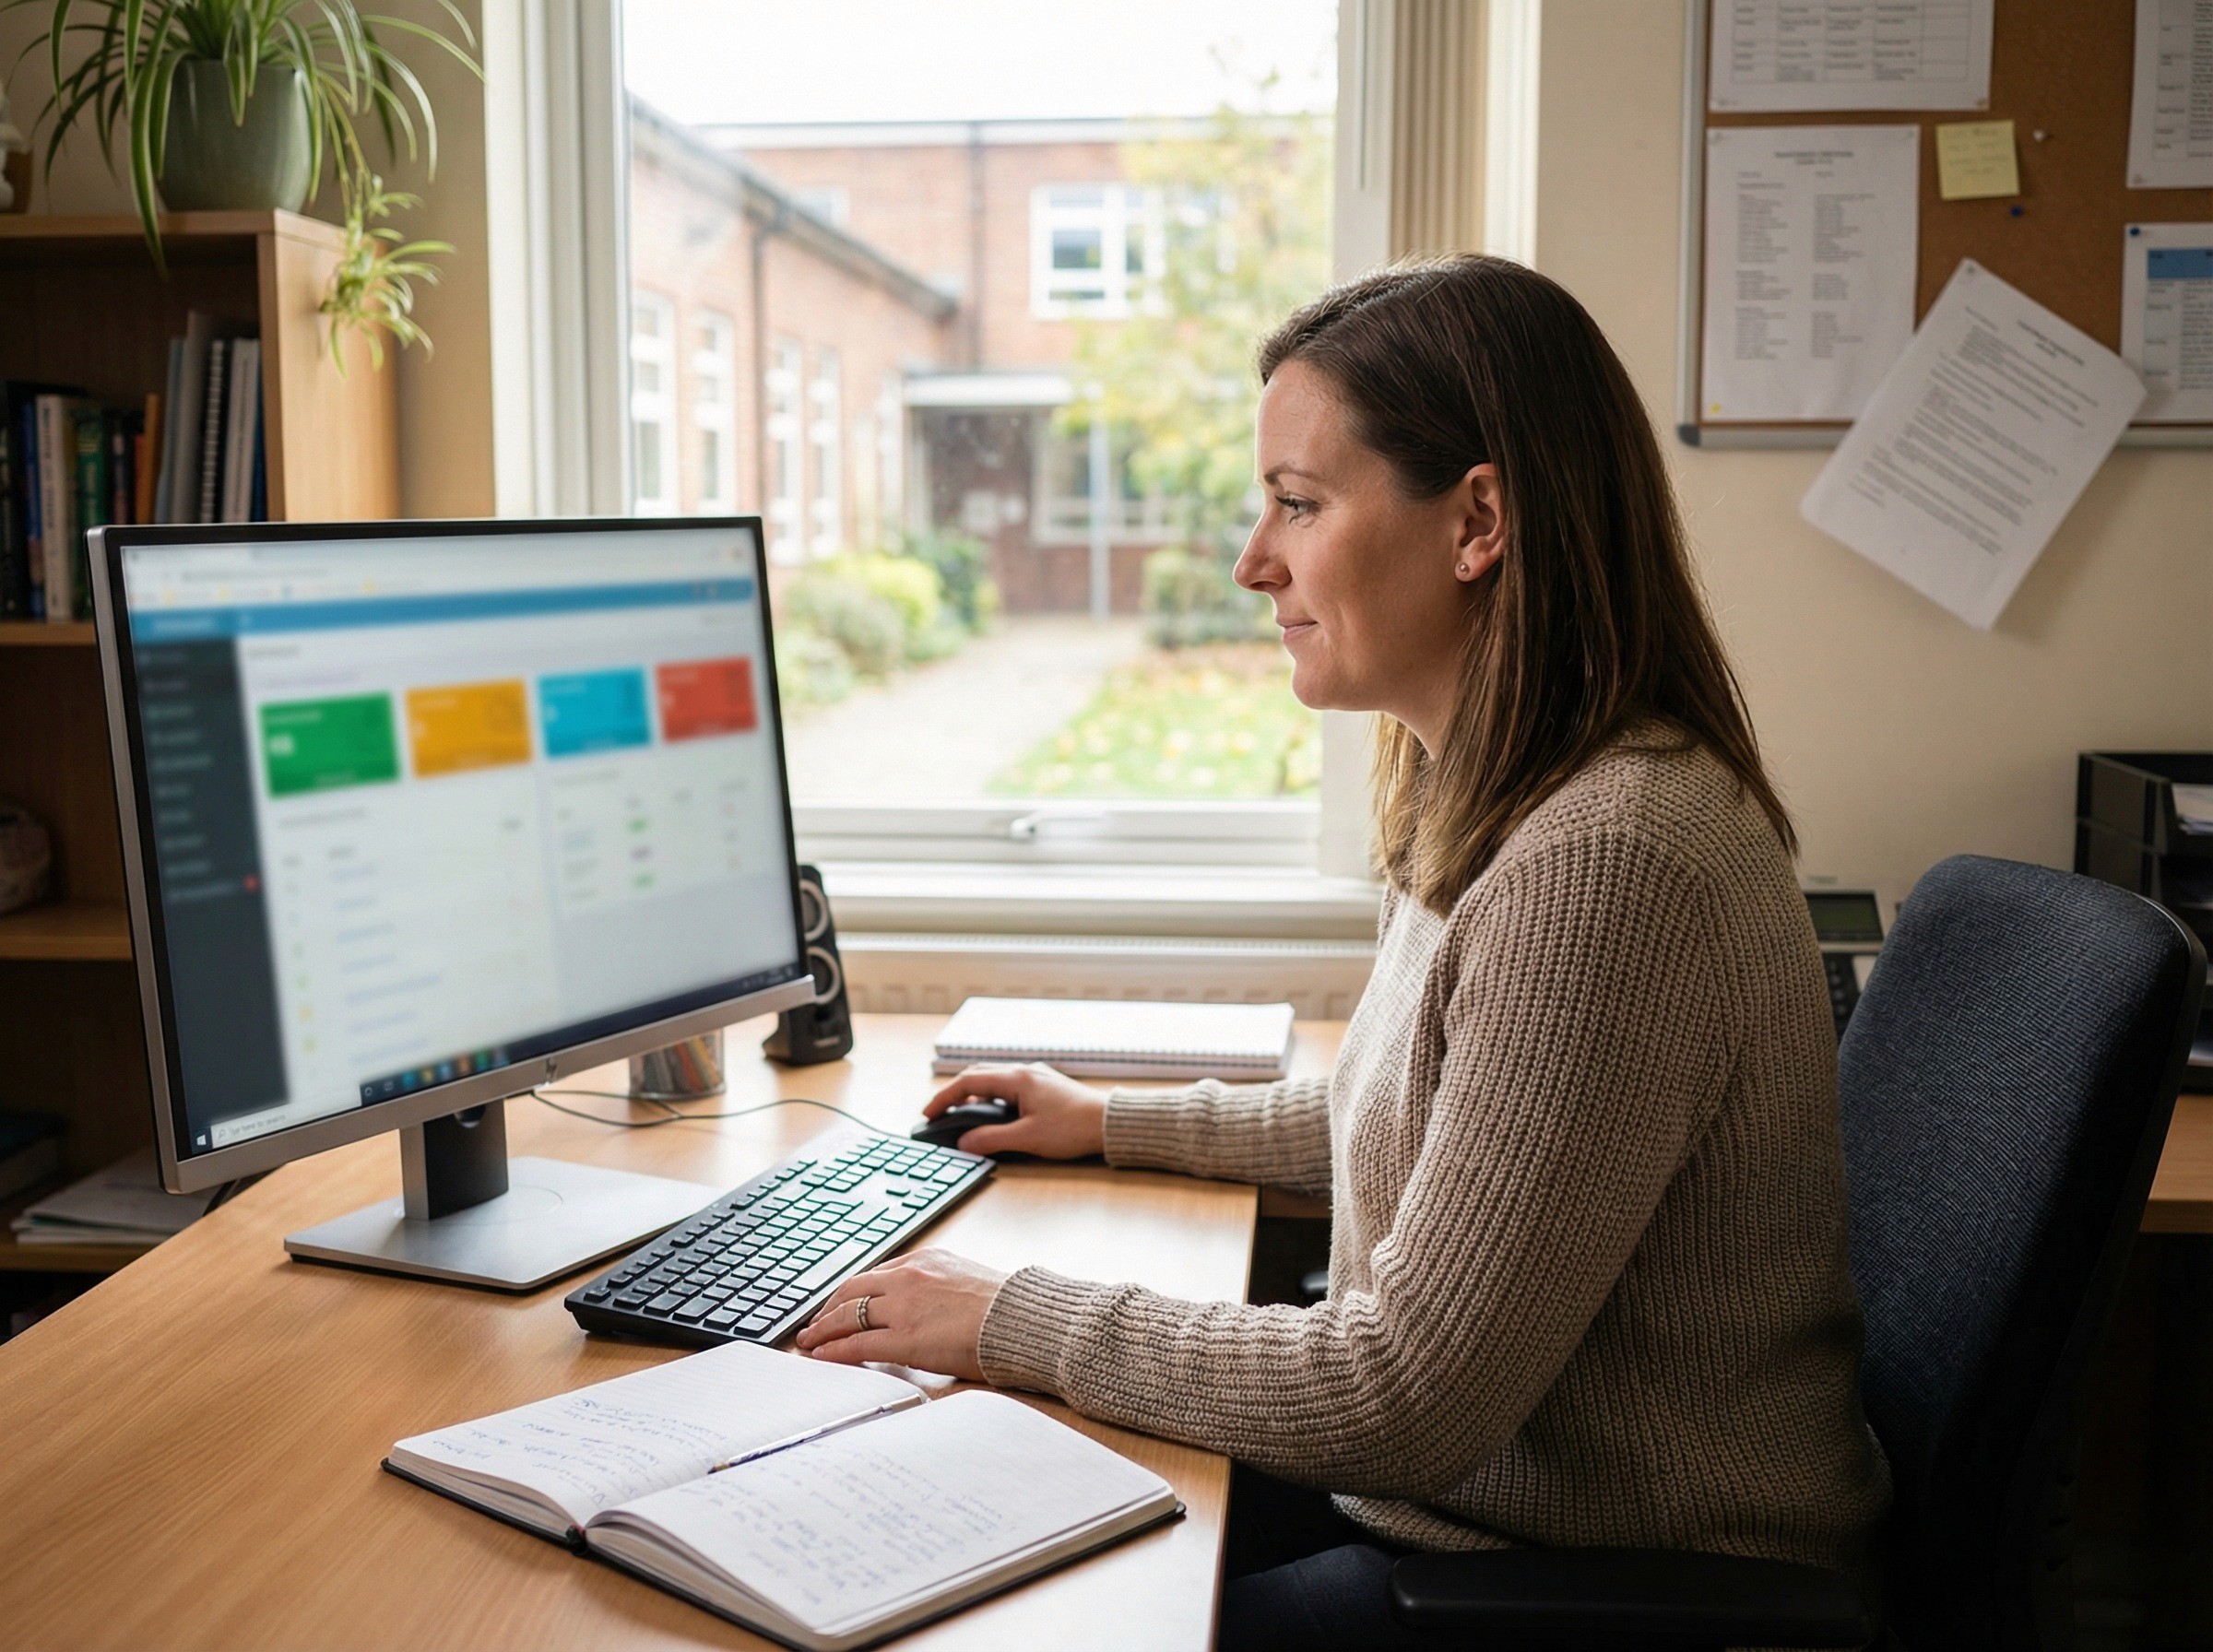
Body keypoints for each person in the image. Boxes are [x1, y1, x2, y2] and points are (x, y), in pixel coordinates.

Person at [793, 254, 1890, 1648]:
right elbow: (1420, 1123)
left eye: (1298, 505)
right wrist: (1109, 1121)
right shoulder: (1493, 787)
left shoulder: (1612, 861)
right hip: (1477, 1514)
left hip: (1594, 1580)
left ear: (1477, 520)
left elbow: (1403, 1395)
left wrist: (1004, 1315)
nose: (1256, 561)